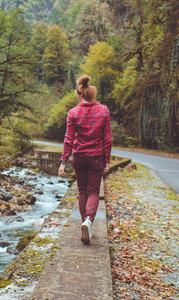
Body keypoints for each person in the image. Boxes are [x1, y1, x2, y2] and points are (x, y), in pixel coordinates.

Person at [58, 75, 112, 244]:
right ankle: (89, 221)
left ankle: (85, 223)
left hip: (80, 157)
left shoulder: (73, 113)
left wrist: (63, 162)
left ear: (78, 94)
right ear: (91, 94)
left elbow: (68, 139)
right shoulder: (104, 111)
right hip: (97, 158)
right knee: (94, 191)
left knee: (82, 191)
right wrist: (107, 161)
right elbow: (107, 139)